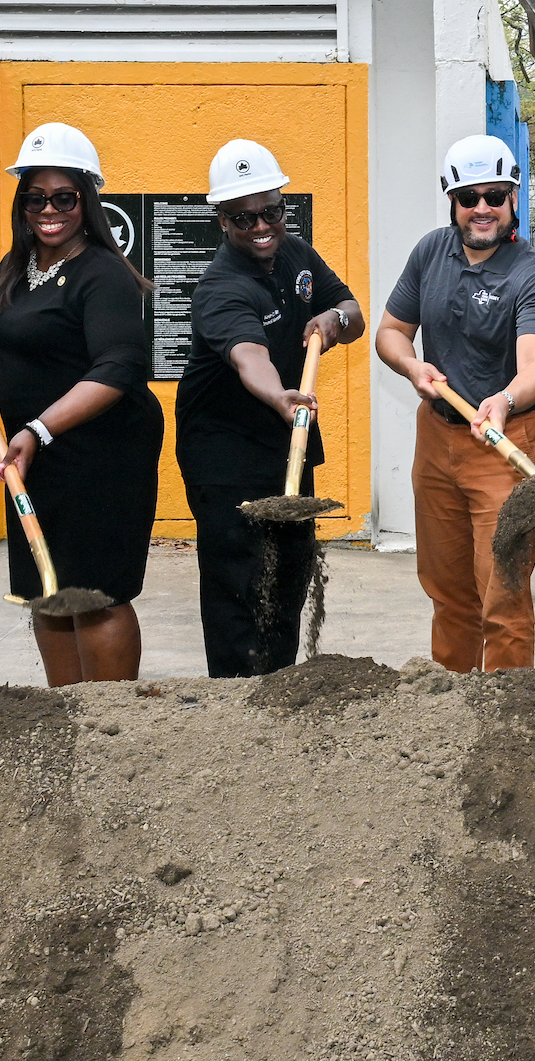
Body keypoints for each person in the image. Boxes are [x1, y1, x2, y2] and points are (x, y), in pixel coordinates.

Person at [0, 123, 162, 685]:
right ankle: (65, 714)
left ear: (86, 200)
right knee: (46, 591)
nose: (49, 210)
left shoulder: (103, 273)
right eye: (35, 198)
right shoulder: (16, 266)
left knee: (95, 594)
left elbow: (117, 370)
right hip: (34, 457)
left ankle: (110, 717)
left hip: (101, 455)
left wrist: (38, 431)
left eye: (64, 198)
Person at [376, 134, 535, 672]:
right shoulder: (430, 252)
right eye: (468, 197)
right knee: (447, 587)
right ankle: (452, 698)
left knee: (501, 592)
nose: (482, 208)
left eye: (495, 196)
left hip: (507, 438)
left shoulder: (533, 274)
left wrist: (504, 399)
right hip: (438, 438)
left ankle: (506, 707)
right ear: (451, 200)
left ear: (513, 198)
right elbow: (390, 332)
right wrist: (411, 366)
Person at [175, 138, 362, 677]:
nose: (261, 226)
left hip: (287, 443)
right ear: (222, 220)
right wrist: (280, 394)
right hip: (225, 452)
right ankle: (236, 695)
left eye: (271, 212)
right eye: (243, 217)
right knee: (240, 584)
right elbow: (248, 355)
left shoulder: (297, 253)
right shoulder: (220, 288)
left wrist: (334, 320)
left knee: (288, 576)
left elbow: (351, 310)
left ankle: (278, 686)